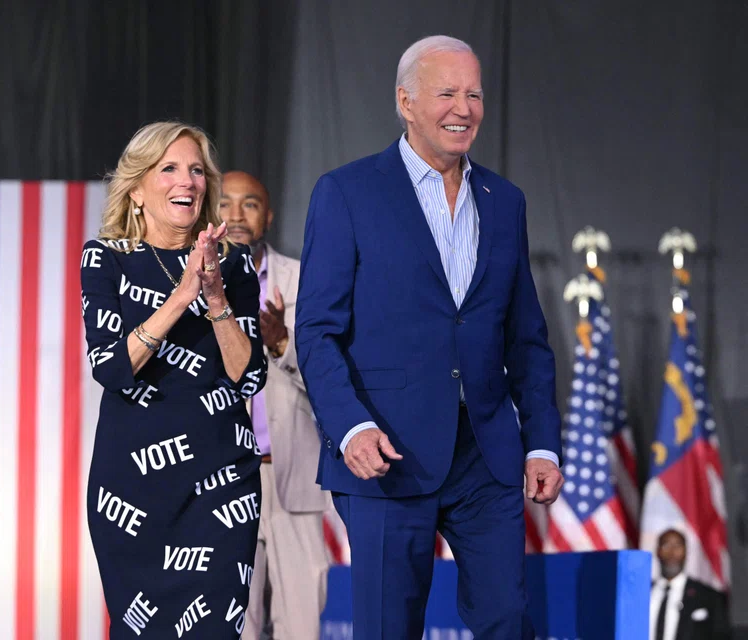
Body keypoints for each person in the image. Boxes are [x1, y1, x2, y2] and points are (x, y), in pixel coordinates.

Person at [295, 35, 564, 639]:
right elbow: (315, 331)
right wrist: (351, 426)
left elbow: (526, 338)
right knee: (389, 626)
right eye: (446, 92)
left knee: (506, 618)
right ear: (406, 101)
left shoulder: (505, 201)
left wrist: (542, 443)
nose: (462, 108)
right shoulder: (347, 192)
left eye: (473, 93)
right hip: (386, 451)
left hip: (486, 454)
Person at [82, 121, 268, 639]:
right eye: (168, 169)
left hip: (221, 483)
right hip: (134, 493)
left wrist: (215, 300)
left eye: (195, 170)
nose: (186, 180)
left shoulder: (233, 265)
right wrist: (181, 295)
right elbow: (112, 368)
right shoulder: (106, 258)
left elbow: (250, 376)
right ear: (137, 189)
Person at [219, 171, 331, 640]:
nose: (237, 215)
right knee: (231, 626)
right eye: (225, 203)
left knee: (301, 627)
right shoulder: (190, 284)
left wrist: (284, 345)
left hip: (293, 477)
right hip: (223, 480)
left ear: (267, 216)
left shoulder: (304, 282)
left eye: (250, 204)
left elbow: (332, 378)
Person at [650, 529, 731, 640]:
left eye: (678, 546)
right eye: (666, 545)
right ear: (657, 551)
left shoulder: (709, 597)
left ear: (686, 552)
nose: (672, 552)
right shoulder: (642, 593)